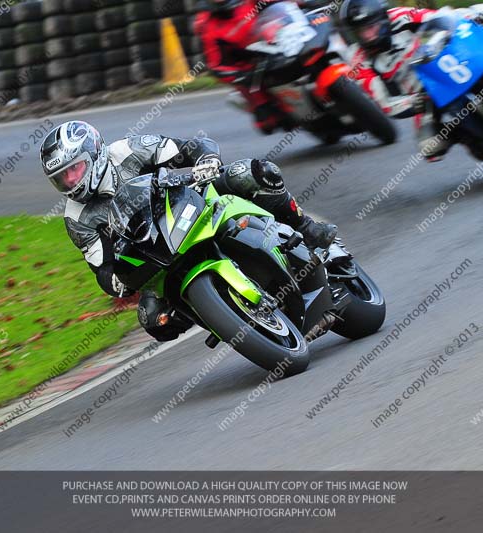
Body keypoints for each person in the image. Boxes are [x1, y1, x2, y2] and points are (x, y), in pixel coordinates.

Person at [40, 121, 337, 341]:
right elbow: (101, 266)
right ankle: (220, 315)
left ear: (94, 155)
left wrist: (205, 161)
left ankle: (305, 227)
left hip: (190, 201)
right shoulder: (76, 218)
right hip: (157, 252)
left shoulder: (127, 150)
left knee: (252, 173)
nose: (70, 181)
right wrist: (115, 282)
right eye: (61, 179)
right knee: (154, 320)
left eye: (74, 170)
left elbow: (189, 147)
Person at [338, 0, 483, 160]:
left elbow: (438, 18)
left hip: (443, 62)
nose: (368, 36)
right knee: (430, 148)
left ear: (382, 17)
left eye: (371, 27)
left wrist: (466, 17)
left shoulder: (400, 16)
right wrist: (412, 102)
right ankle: (469, 138)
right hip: (424, 96)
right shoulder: (358, 60)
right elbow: (384, 103)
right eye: (361, 32)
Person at [194, 0, 293, 134]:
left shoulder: (249, 2)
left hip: (280, 41)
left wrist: (303, 3)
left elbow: (280, 4)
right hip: (250, 67)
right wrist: (241, 75)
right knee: (267, 123)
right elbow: (216, 65)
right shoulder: (207, 26)